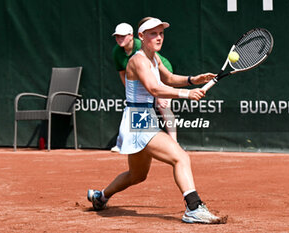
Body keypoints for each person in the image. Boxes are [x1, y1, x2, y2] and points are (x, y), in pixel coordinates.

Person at [88, 17, 228, 224]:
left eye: (161, 33)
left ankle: (101, 196)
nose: (159, 37)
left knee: (137, 175)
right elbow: (154, 88)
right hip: (138, 119)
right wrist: (186, 94)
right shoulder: (138, 60)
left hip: (142, 117)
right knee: (180, 157)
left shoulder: (154, 58)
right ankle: (194, 207)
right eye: (153, 33)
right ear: (141, 37)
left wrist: (193, 80)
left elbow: (168, 78)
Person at [111, 22, 177, 154]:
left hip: (160, 73)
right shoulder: (117, 51)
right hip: (145, 82)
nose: (119, 39)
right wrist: (131, 93)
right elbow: (123, 74)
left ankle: (174, 142)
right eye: (117, 36)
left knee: (164, 107)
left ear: (131, 36)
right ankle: (126, 143)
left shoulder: (140, 48)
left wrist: (157, 97)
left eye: (123, 36)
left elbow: (154, 82)